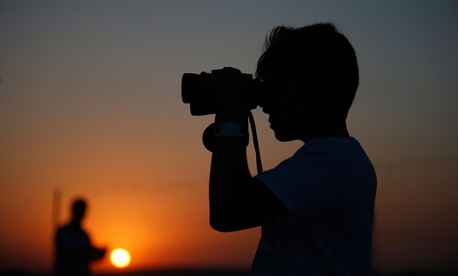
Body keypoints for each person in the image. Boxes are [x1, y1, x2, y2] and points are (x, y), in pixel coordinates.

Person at [207, 23, 377, 275]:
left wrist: (231, 118)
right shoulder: (337, 159)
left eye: (276, 87)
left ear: (315, 90)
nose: (265, 104)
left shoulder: (332, 159)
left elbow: (228, 211)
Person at [54, 198, 107, 276]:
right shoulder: (63, 231)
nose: (83, 213)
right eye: (81, 210)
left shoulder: (85, 235)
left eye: (84, 210)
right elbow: (64, 255)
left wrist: (100, 255)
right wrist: (86, 250)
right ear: (74, 210)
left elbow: (87, 259)